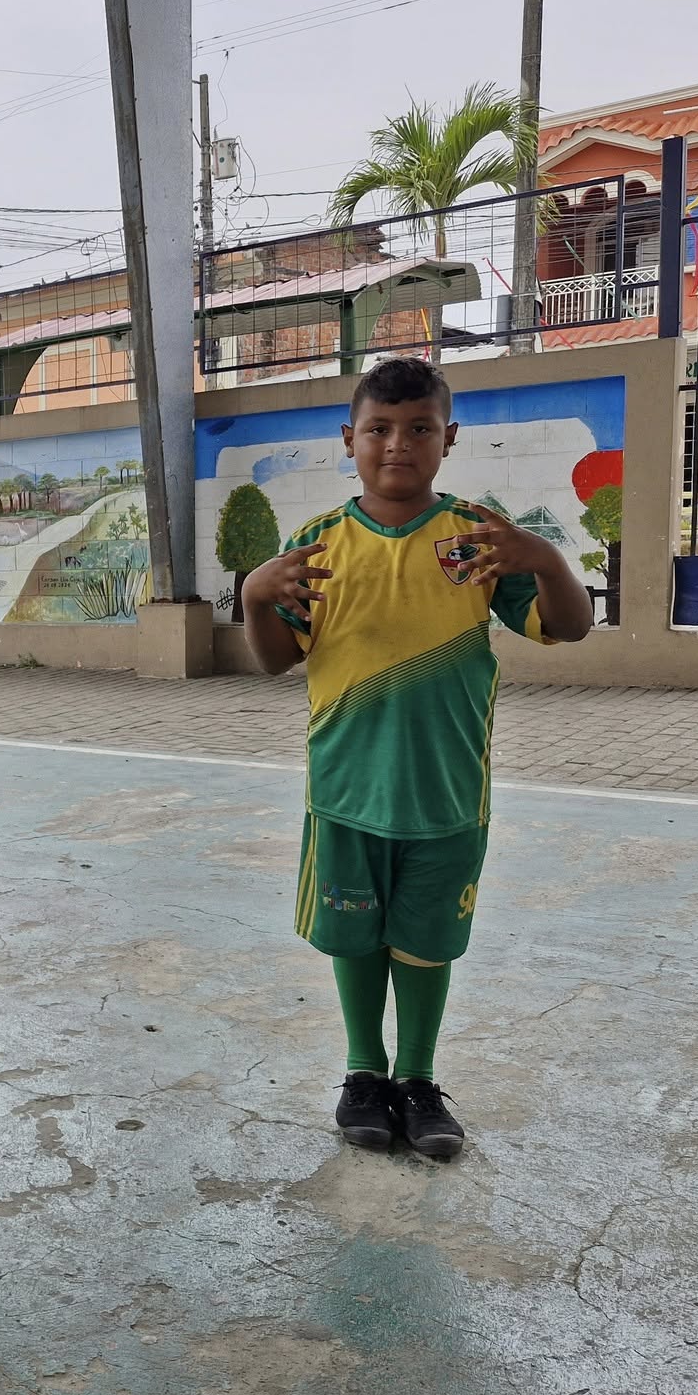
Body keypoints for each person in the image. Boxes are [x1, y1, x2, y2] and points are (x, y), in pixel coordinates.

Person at [239, 356, 593, 1161]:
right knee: (355, 938)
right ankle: (364, 1074)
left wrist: (546, 559)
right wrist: (255, 595)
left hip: (447, 792)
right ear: (350, 439)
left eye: (419, 428)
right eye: (379, 429)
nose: (398, 444)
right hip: (346, 791)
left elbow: (568, 627)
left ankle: (419, 1080)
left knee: (428, 942)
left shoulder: (476, 539)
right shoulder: (318, 546)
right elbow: (274, 659)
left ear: (448, 437)